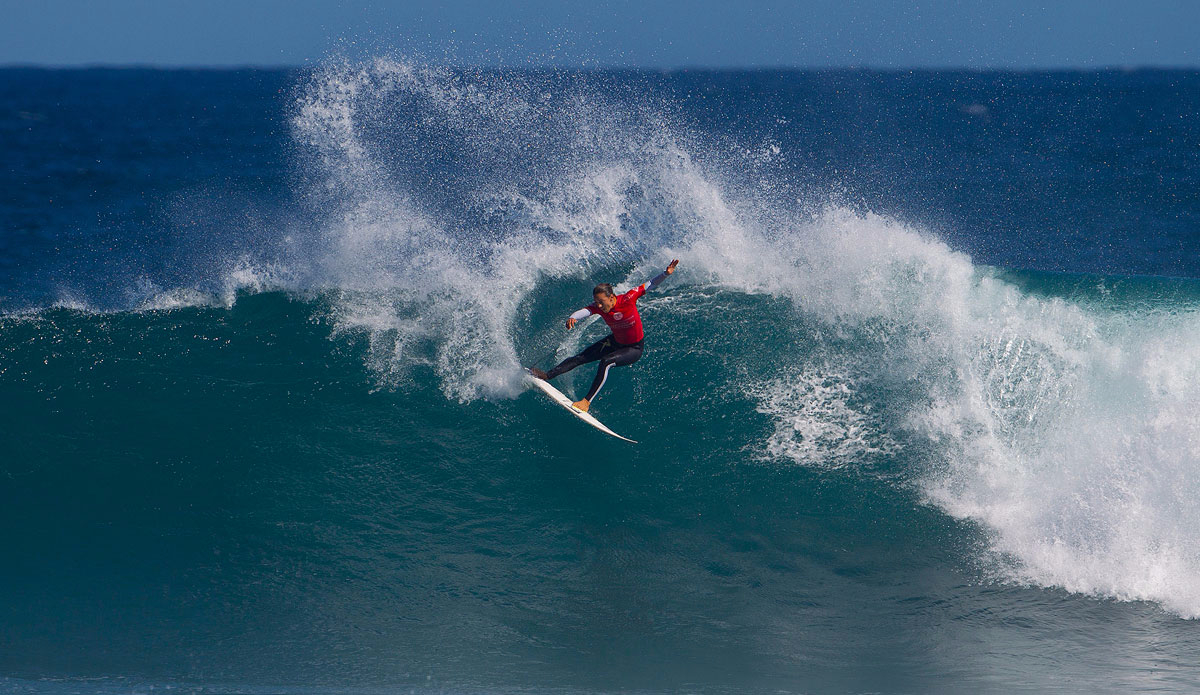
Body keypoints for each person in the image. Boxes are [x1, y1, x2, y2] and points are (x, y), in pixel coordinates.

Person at [529, 260, 679, 412]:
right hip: (615, 341)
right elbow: (587, 310)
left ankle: (586, 402)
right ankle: (548, 375)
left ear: (612, 297)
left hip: (634, 348)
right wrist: (573, 316)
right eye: (596, 302)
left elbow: (649, 284)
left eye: (601, 302)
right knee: (581, 357)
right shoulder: (599, 307)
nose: (599, 306)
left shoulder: (627, 299)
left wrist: (665, 274)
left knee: (606, 362)